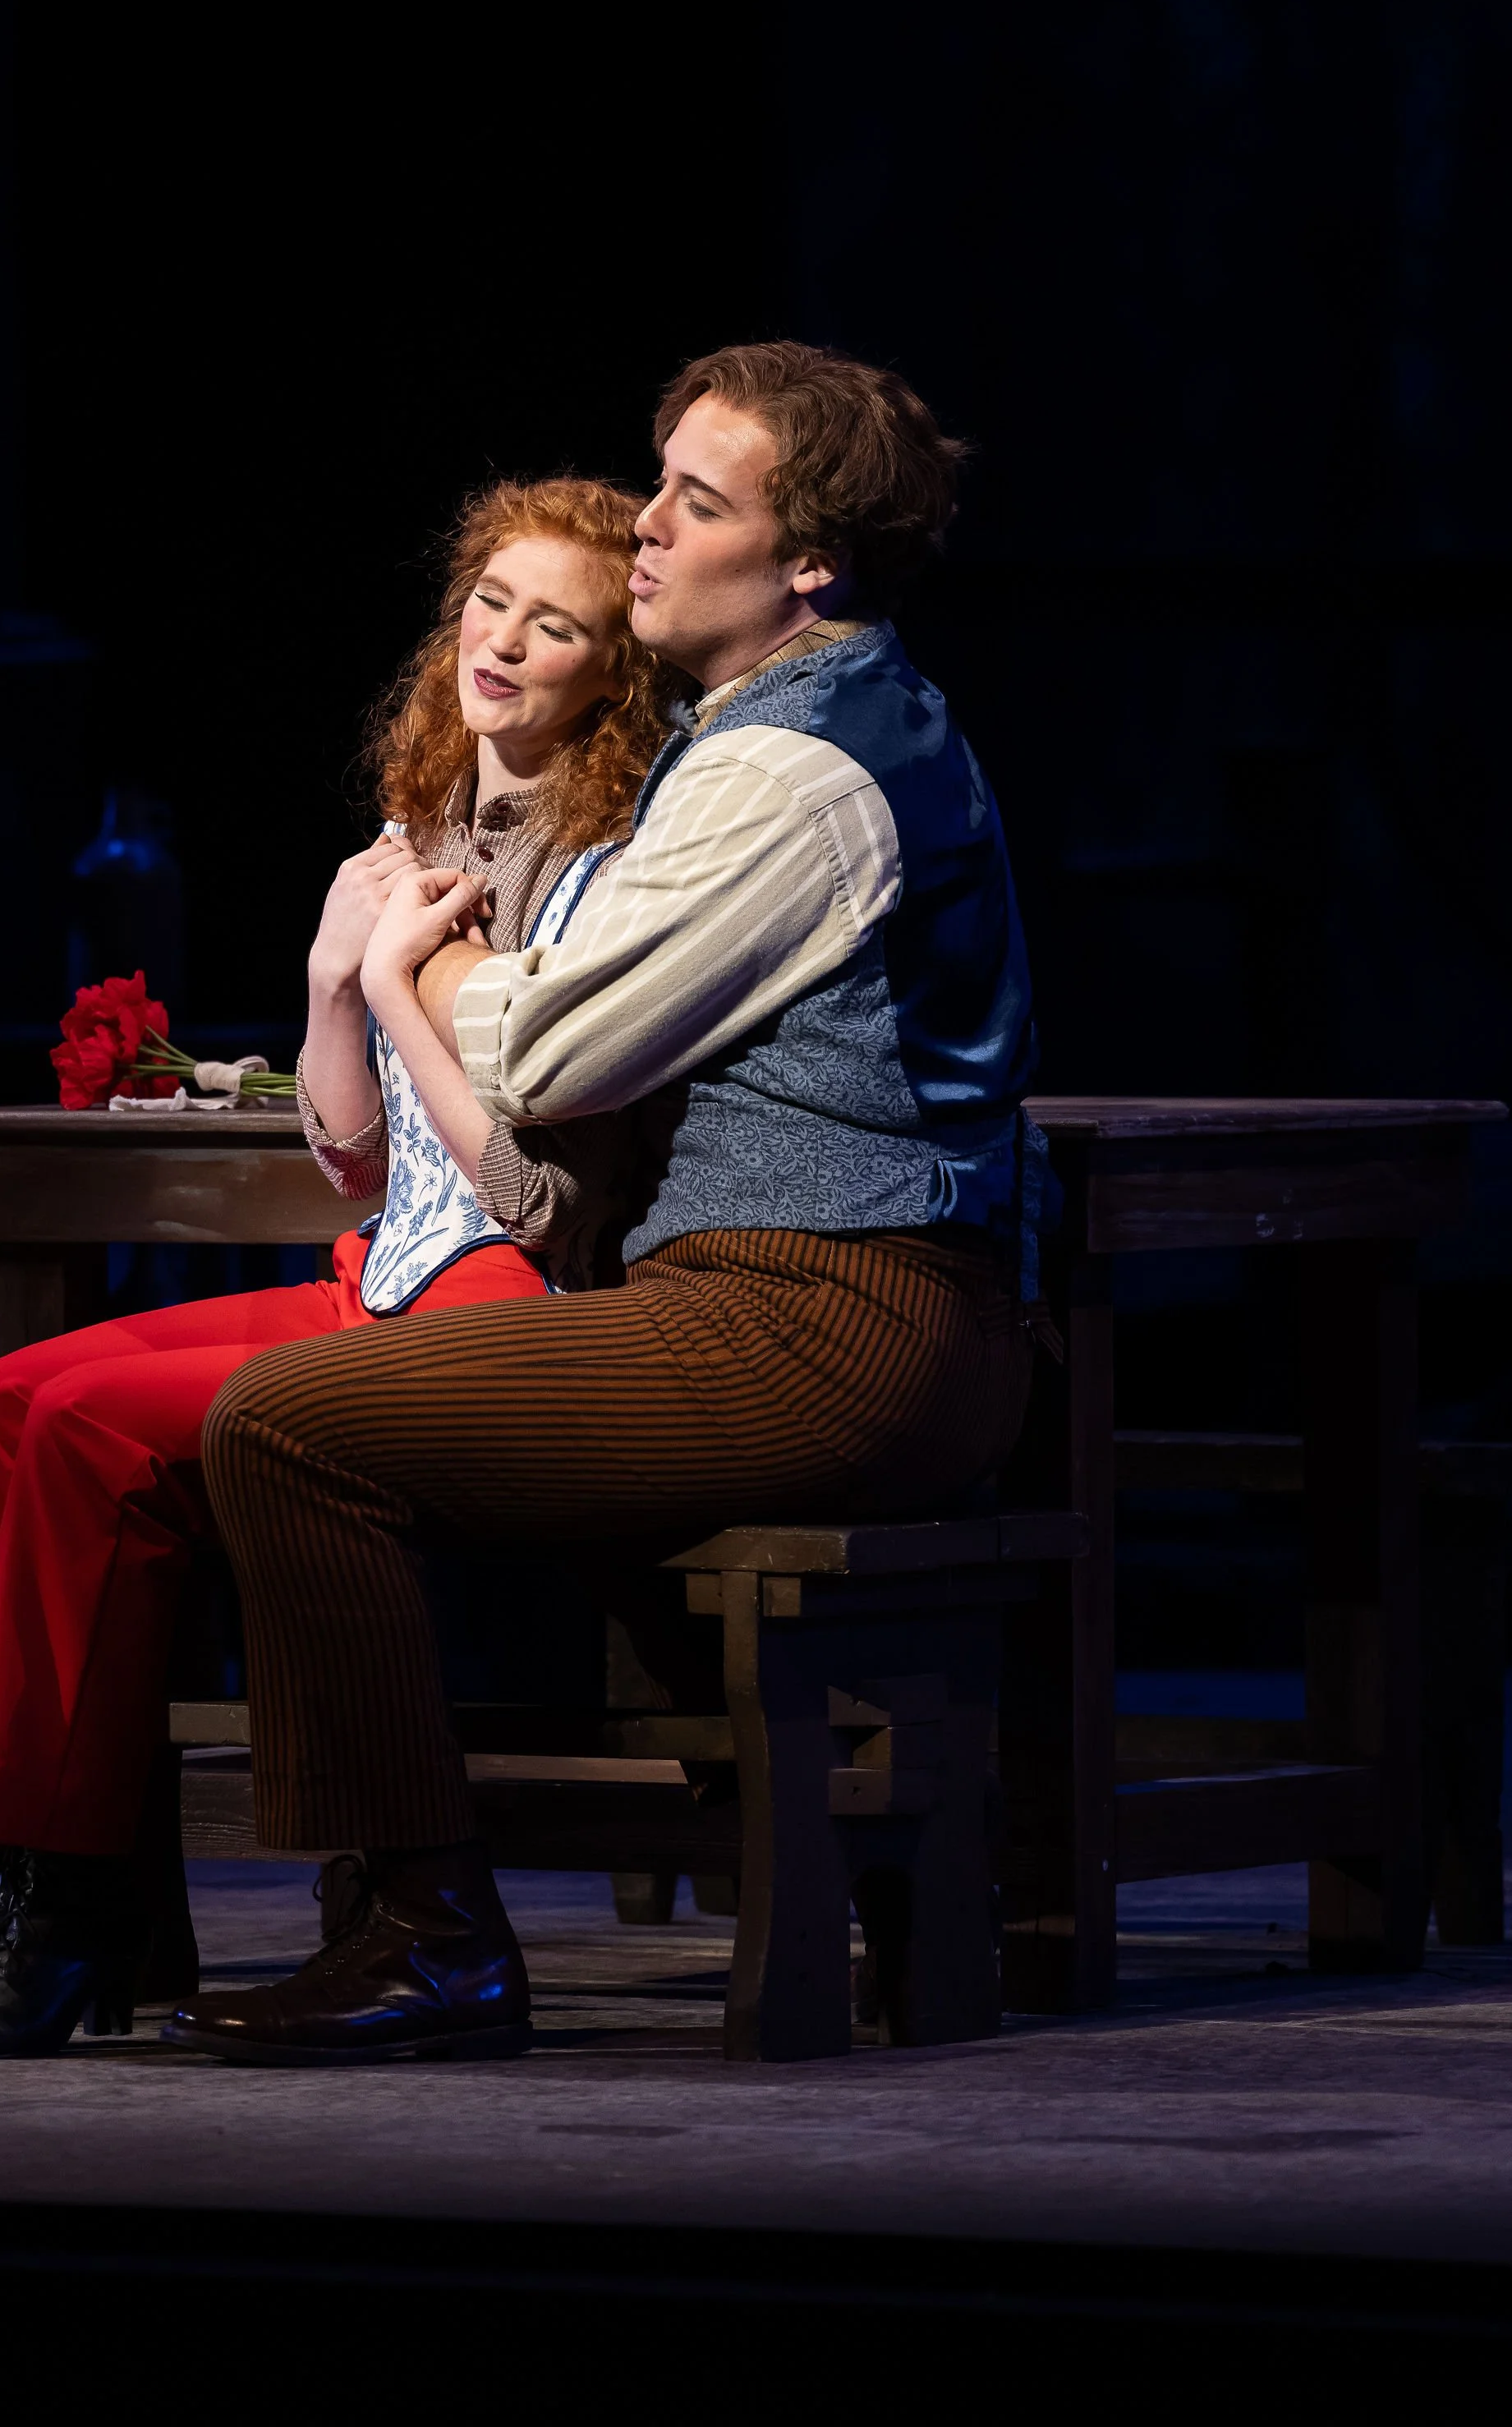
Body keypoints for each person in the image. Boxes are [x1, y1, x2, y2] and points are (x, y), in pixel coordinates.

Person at [163, 338, 1046, 2068]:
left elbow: (561, 1057)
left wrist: (418, 961)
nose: (645, 528)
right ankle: (855, 1882)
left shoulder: (795, 771)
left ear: (810, 562)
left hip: (834, 1319)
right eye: (659, 483)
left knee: (284, 1428)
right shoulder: (786, 731)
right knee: (501, 1451)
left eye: (697, 504)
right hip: (790, 1301)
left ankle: (428, 1935)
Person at [0, 475, 682, 2060]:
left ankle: (65, 1907)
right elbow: (365, 1164)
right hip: (391, 1265)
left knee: (96, 1437)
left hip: (511, 1309)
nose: (506, 644)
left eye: (559, 626)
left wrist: (396, 980)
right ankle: (29, 1891)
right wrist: (333, 979)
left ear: (613, 675)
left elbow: (533, 1202)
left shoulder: (608, 871)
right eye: (491, 602)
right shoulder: (434, 825)